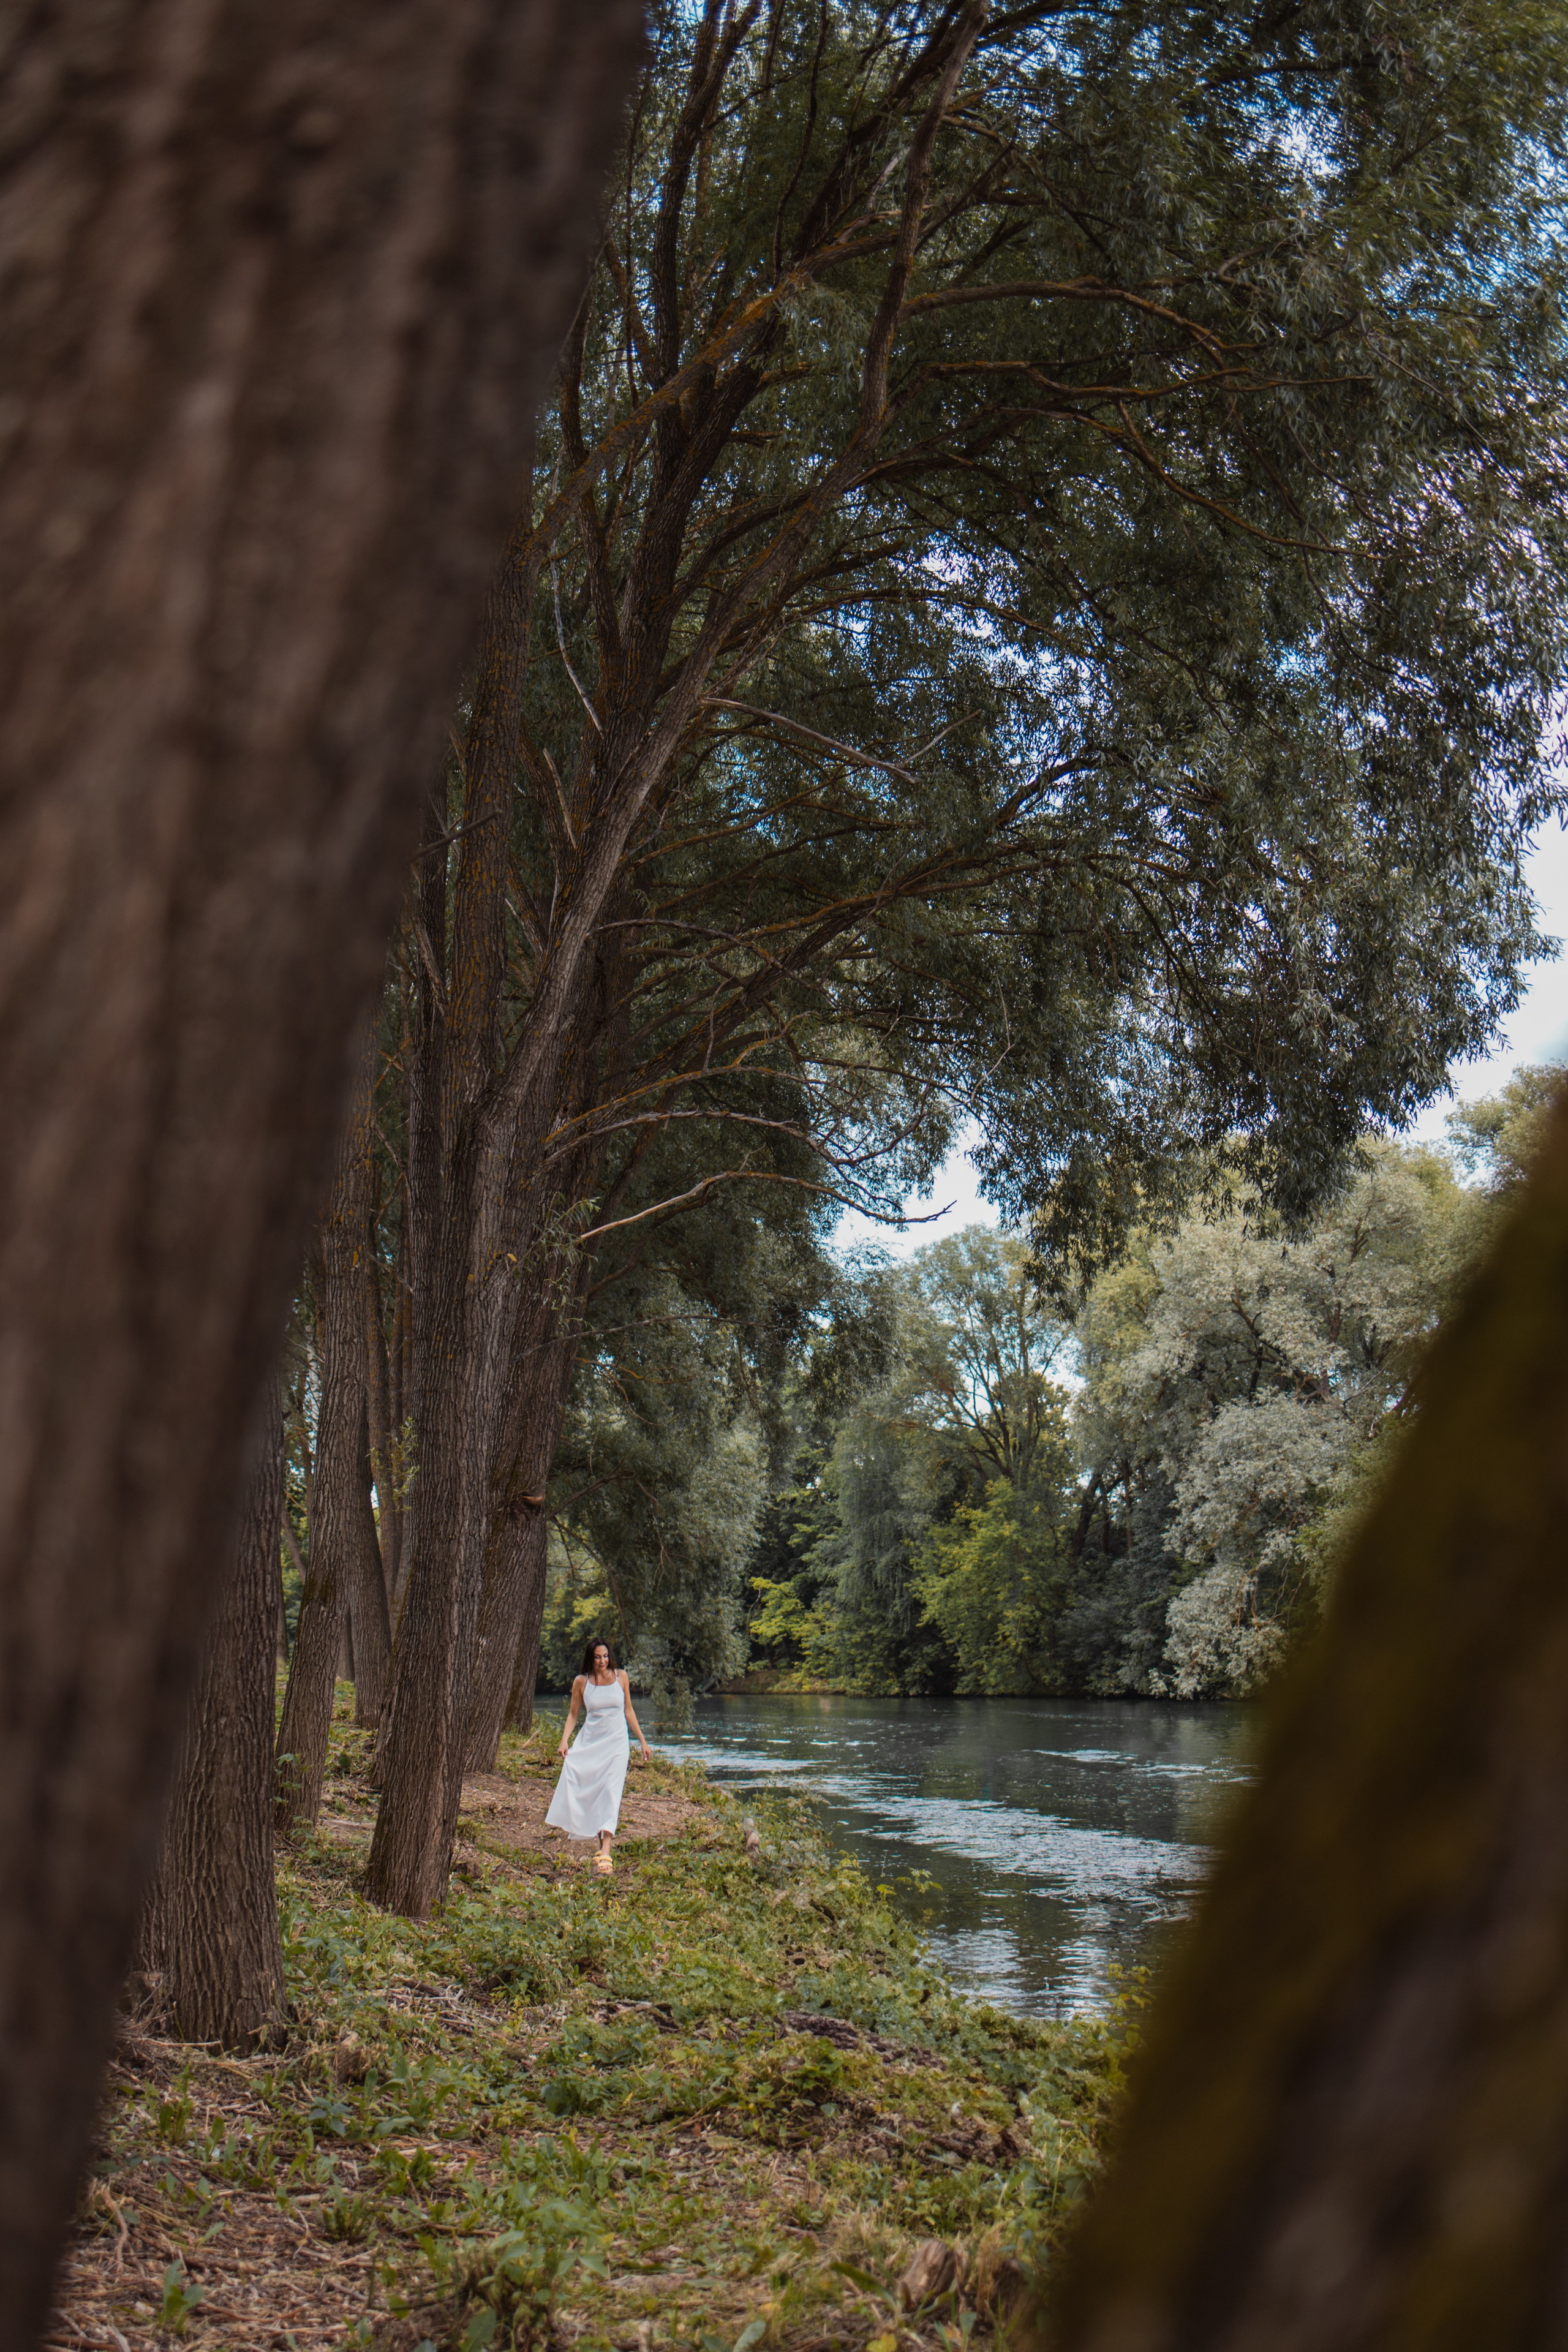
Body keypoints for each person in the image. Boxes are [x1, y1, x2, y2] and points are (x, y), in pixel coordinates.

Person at [545, 1639, 650, 1874]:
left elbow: (629, 1711)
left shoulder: (621, 1677)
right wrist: (564, 1740)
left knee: (611, 1792)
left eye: (605, 1656)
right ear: (590, 1658)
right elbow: (574, 1714)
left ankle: (606, 1852)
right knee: (593, 1789)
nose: (602, 1661)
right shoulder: (582, 1682)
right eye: (597, 1657)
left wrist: (642, 1741)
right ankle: (599, 1842)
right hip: (591, 1742)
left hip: (617, 1744)